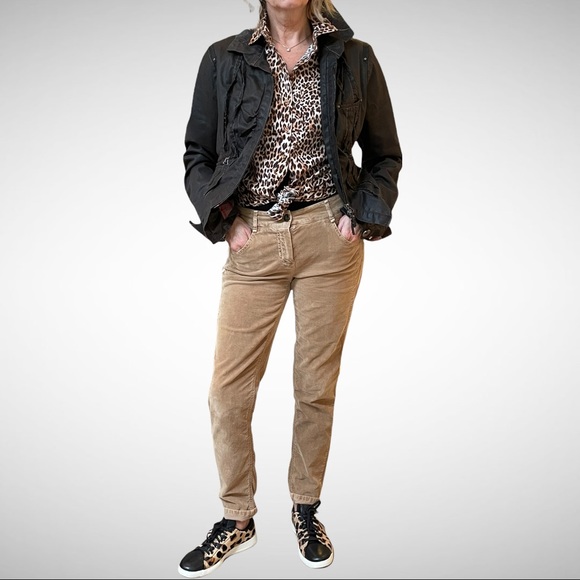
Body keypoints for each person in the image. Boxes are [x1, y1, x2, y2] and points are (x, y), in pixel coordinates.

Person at [178, 0, 402, 576]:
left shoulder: (354, 58)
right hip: (254, 239)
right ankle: (237, 518)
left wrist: (359, 216)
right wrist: (227, 223)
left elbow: (384, 155)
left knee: (314, 387)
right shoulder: (224, 58)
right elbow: (198, 156)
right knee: (227, 391)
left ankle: (306, 507)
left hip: (330, 237)